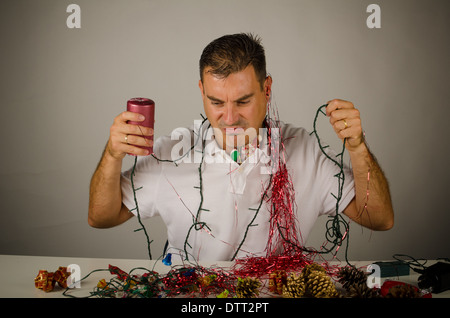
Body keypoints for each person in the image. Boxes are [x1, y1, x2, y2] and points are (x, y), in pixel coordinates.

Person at [88, 33, 394, 261]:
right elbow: (101, 217)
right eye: (216, 102)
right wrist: (113, 155)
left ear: (267, 89)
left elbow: (380, 219)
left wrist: (357, 147)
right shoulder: (172, 154)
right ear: (202, 92)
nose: (230, 118)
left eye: (243, 101)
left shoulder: (303, 150)